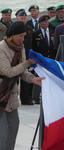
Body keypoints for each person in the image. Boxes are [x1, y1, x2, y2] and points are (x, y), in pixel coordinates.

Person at [0, 21, 44, 150]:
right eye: (20, 36)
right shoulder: (1, 48)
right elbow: (8, 71)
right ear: (12, 35)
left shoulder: (21, 48)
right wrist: (27, 63)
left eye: (24, 36)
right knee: (2, 136)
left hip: (12, 97)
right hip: (1, 96)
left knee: (13, 130)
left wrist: (33, 79)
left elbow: (21, 71)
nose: (22, 39)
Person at [16, 10, 35, 105]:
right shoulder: (14, 29)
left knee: (27, 77)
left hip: (27, 56)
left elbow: (32, 44)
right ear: (17, 18)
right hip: (17, 56)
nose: (23, 20)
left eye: (24, 18)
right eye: (21, 18)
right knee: (15, 79)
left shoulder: (29, 28)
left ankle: (26, 98)